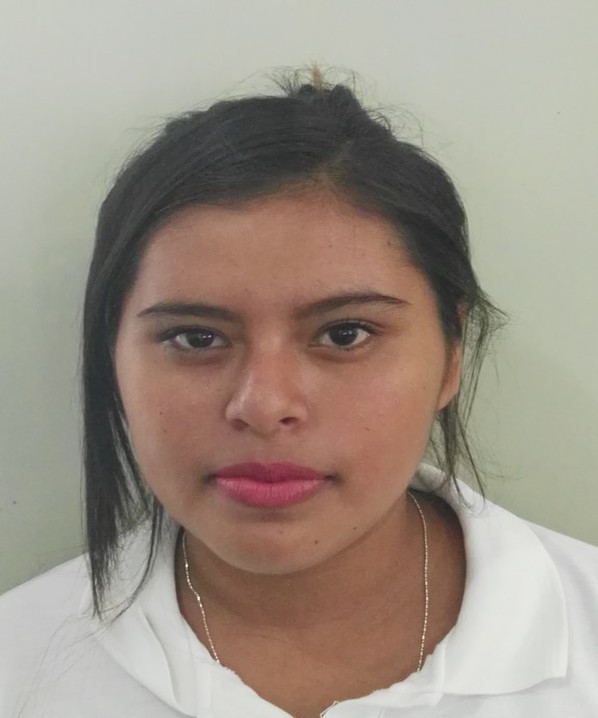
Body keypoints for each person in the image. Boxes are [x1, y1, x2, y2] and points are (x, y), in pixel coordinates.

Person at [1, 68, 597, 718]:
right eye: (196, 338)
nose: (264, 406)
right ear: (112, 356)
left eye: (345, 334)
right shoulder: (20, 665)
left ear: (452, 355)